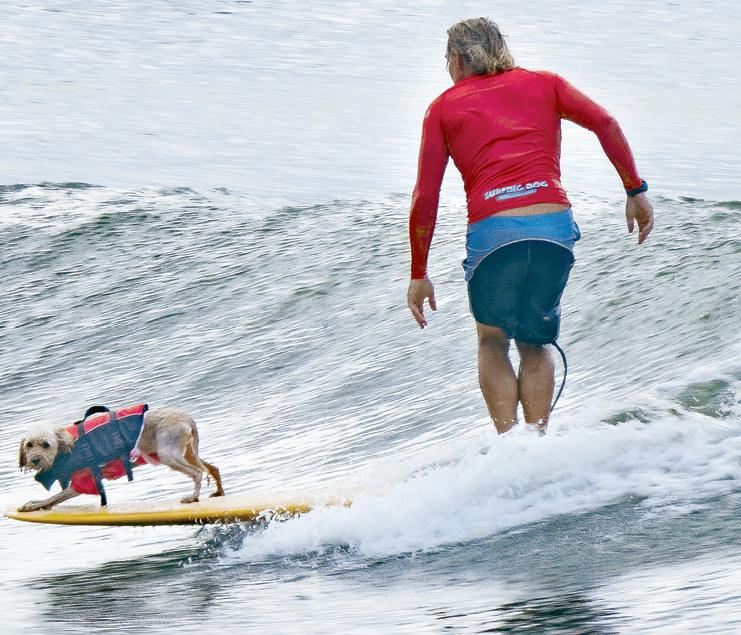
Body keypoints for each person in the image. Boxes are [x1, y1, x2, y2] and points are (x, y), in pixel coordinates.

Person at [406, 17, 654, 434]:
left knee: (492, 340)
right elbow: (605, 122)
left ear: (459, 59)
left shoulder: (443, 107)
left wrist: (419, 272)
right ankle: (537, 445)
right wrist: (635, 191)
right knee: (535, 342)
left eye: (446, 60)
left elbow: (424, 196)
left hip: (494, 233)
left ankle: (510, 449)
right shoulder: (547, 83)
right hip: (552, 228)